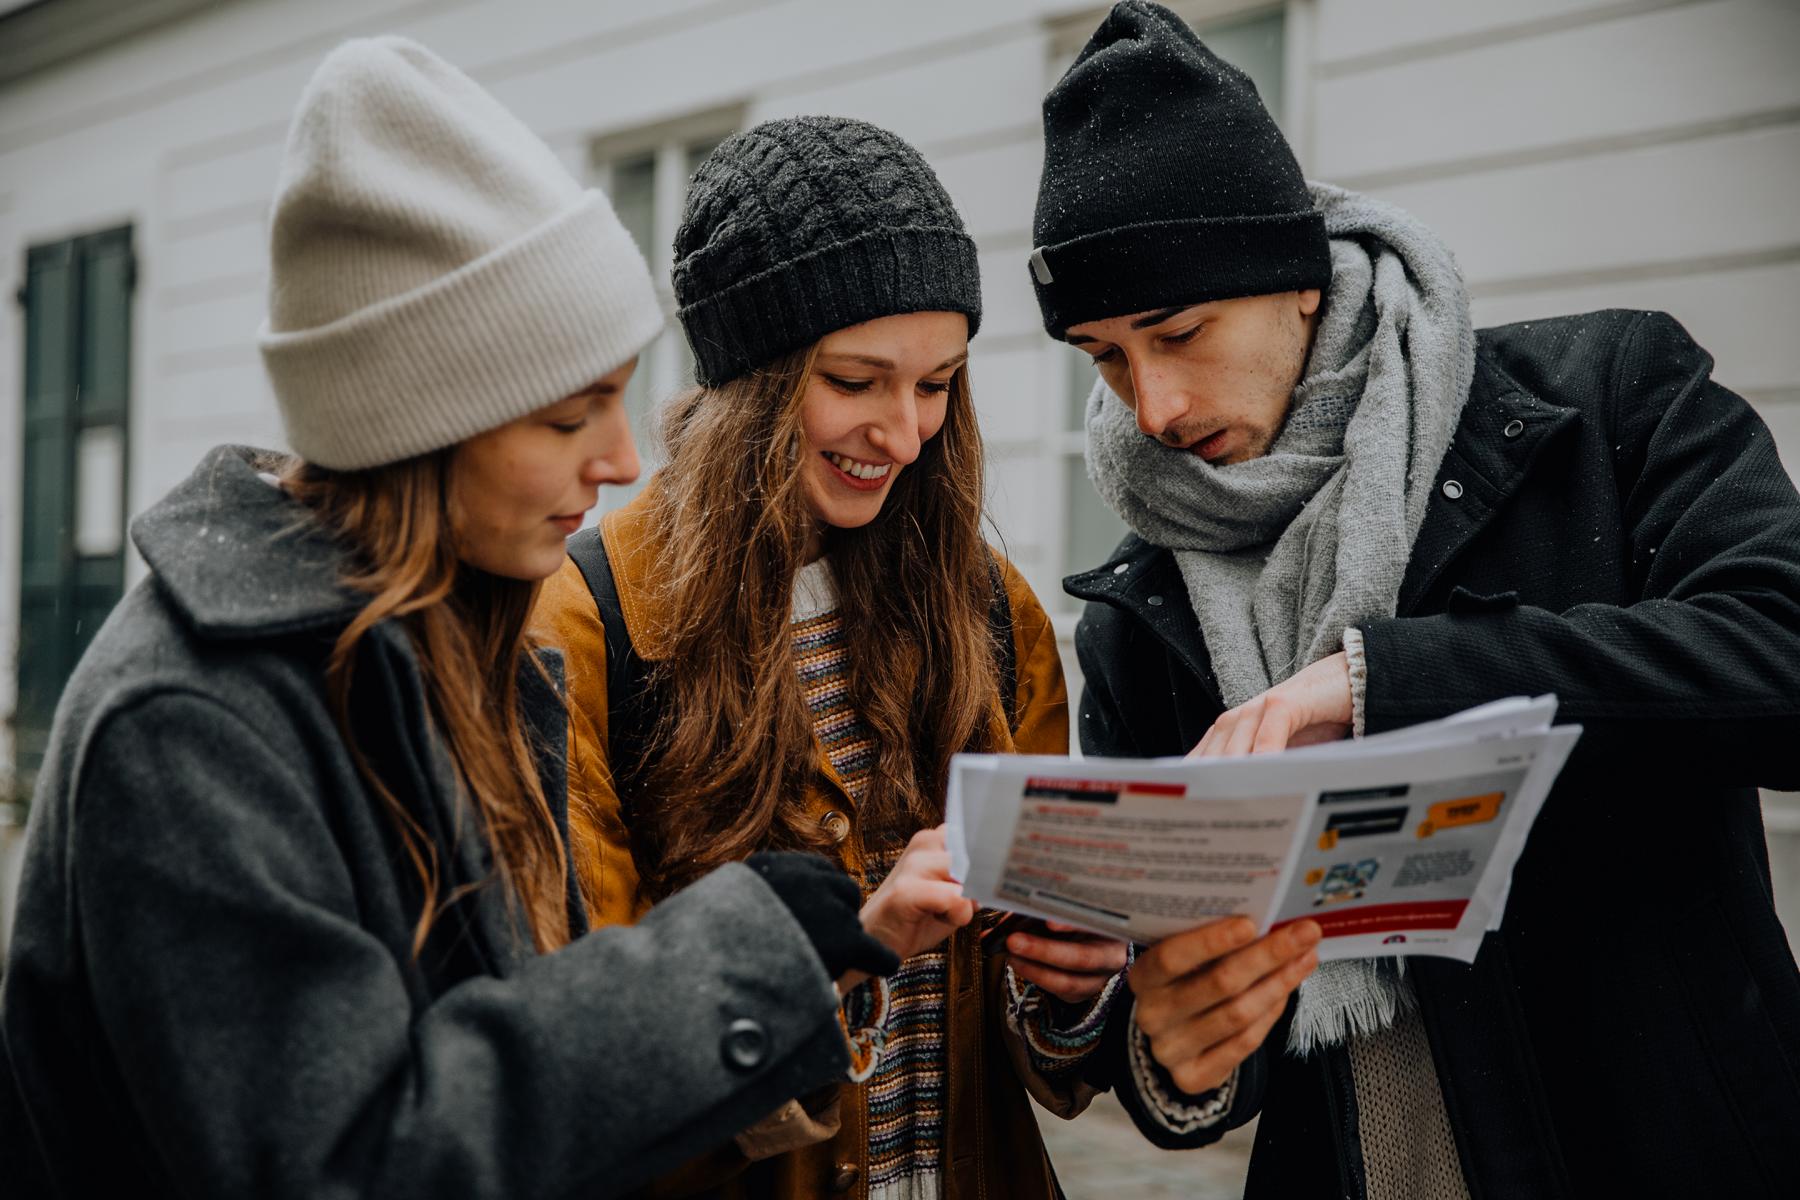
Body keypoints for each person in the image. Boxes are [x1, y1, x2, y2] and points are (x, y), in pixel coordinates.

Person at [0, 39, 919, 1200]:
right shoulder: (189, 723)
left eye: (622, 399)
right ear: (417, 424)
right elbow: (341, 1163)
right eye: (568, 416)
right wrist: (726, 967)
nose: (625, 458)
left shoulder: (459, 652)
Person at [1034, 4, 1800, 1198]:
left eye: (1179, 331)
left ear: (1294, 276)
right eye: (1104, 356)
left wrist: (1382, 683)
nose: (1155, 410)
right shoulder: (1142, 608)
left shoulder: (1608, 401)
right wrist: (1168, 1046)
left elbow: (1781, 660)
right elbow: (1183, 1056)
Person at [531, 116, 1131, 1199]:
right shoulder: (585, 627)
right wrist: (849, 953)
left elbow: (1055, 1063)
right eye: (856, 381)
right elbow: (585, 1072)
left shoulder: (996, 612)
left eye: (939, 383)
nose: (905, 435)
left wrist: (1074, 989)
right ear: (748, 384)